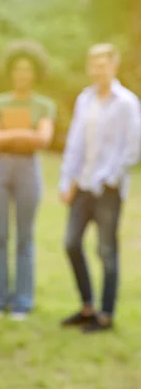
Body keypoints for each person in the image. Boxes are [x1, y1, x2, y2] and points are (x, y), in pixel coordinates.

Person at [59, 43, 141, 333]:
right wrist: (66, 180)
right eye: (93, 65)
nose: (98, 70)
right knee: (71, 243)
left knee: (107, 251)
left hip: (108, 188)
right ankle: (87, 306)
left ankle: (105, 315)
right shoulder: (85, 99)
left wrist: (110, 178)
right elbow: (75, 144)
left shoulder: (127, 103)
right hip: (82, 185)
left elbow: (132, 148)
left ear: (113, 66)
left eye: (103, 65)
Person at [0, 40, 56, 321]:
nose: (22, 74)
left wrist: (5, 133)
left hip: (28, 170)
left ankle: (23, 301)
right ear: (10, 72)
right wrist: (23, 133)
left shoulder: (44, 104)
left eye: (28, 69)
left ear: (35, 73)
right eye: (18, 69)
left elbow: (43, 139)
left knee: (25, 237)